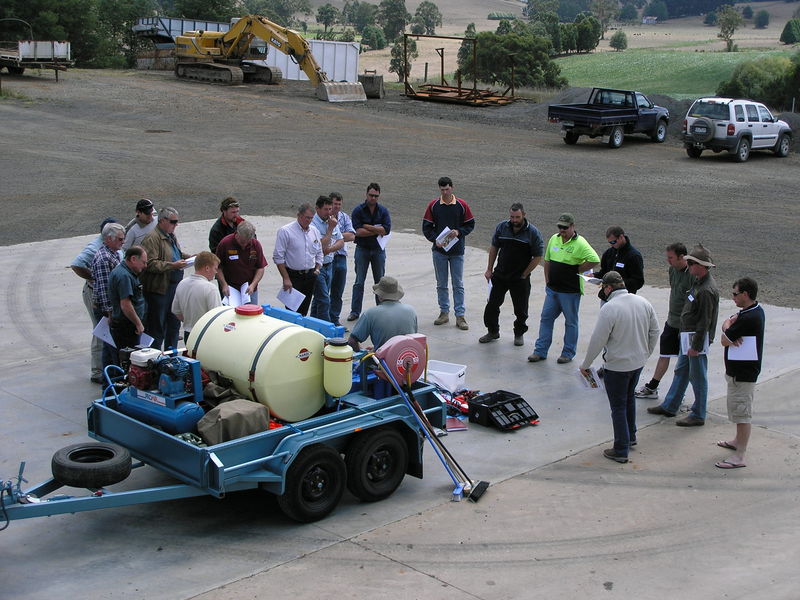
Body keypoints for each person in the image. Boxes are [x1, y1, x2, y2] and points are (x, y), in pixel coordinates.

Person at [579, 271, 660, 463]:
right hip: (637, 363)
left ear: (608, 287)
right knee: (629, 399)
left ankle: (621, 448)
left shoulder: (609, 308)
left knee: (618, 407)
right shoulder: (643, 302)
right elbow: (654, 331)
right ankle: (631, 436)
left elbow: (598, 339)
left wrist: (586, 364)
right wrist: (646, 353)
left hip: (617, 366)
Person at [647, 244, 720, 426]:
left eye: (692, 263)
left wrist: (695, 346)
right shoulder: (698, 282)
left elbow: (705, 321)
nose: (689, 266)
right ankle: (671, 405)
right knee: (682, 370)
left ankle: (698, 414)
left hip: (696, 339)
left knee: (698, 376)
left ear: (701, 266)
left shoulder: (705, 290)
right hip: (688, 336)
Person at [529, 213, 600, 364]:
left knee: (571, 322)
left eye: (565, 227)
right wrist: (548, 281)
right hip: (553, 290)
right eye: (560, 227)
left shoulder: (580, 243)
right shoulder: (554, 239)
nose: (562, 230)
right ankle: (540, 351)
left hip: (570, 292)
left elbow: (594, 259)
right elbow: (547, 261)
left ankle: (568, 353)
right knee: (546, 319)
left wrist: (578, 269)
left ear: (573, 227)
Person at [715, 277, 765, 469]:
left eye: (735, 294)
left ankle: (740, 456)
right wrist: (729, 325)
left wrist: (727, 325)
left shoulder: (749, 317)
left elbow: (724, 339)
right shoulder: (752, 311)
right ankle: (737, 441)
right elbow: (729, 331)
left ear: (745, 294)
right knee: (738, 411)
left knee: (743, 414)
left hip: (743, 375)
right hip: (739, 372)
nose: (733, 297)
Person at [480, 203, 544, 346]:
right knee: (492, 305)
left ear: (524, 215)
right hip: (500, 275)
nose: (514, 220)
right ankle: (493, 331)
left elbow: (538, 256)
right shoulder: (502, 227)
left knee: (521, 309)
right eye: (512, 217)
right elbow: (494, 247)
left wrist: (524, 274)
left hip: (519, 278)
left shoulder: (533, 233)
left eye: (517, 217)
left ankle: (519, 334)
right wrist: (489, 269)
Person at [635, 243, 692, 399]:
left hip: (687, 325)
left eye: (671, 258)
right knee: (664, 354)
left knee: (685, 361)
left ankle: (679, 393)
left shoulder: (692, 275)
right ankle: (653, 386)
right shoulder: (672, 270)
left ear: (682, 257)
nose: (668, 261)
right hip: (672, 320)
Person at [422, 176, 475, 330]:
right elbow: (426, 227)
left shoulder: (462, 205)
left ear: (452, 188)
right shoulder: (433, 206)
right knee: (441, 284)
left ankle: (460, 315)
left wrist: (459, 231)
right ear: (439, 189)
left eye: (447, 189)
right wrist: (434, 240)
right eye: (442, 189)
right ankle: (444, 312)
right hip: (439, 251)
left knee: (458, 284)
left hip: (457, 251)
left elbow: (470, 224)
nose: (445, 192)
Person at [71, 217, 117, 383]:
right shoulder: (95, 248)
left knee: (105, 332)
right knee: (101, 331)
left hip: (103, 292)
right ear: (107, 235)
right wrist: (94, 277)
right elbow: (76, 264)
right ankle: (97, 372)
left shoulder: (110, 247)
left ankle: (104, 369)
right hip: (94, 293)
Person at [141, 207, 191, 350]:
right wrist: (173, 266)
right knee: (157, 329)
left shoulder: (170, 235)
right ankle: (155, 359)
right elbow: (149, 264)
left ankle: (172, 357)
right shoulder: (152, 238)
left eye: (177, 222)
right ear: (162, 221)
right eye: (173, 222)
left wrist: (192, 258)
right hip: (159, 291)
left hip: (173, 287)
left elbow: (177, 254)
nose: (176, 225)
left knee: (174, 325)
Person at [348, 183, 391, 321]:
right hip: (363, 249)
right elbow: (357, 232)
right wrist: (376, 230)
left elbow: (386, 230)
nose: (373, 198)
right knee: (359, 281)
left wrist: (367, 226)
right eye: (371, 195)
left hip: (378, 250)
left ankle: (381, 310)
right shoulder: (358, 211)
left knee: (380, 282)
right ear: (366, 194)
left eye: (376, 196)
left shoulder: (383, 211)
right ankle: (355, 311)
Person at [273, 203, 323, 316]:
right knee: (292, 312)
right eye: (307, 217)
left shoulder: (314, 231)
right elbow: (278, 256)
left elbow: (319, 252)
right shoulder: (286, 231)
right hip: (293, 277)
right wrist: (285, 278)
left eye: (311, 218)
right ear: (299, 215)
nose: (309, 220)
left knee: (304, 311)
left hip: (310, 275)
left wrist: (317, 269)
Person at [348, 276, 418, 351]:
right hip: (407, 357)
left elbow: (352, 341)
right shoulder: (411, 311)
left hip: (382, 361)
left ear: (380, 296)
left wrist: (365, 353)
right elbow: (413, 337)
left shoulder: (370, 313)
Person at [91, 222, 126, 370]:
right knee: (113, 347)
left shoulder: (113, 253)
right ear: (108, 239)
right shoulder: (104, 259)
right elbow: (105, 290)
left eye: (123, 238)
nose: (123, 242)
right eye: (119, 239)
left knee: (109, 346)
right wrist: (110, 314)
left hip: (111, 309)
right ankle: (112, 378)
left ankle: (109, 377)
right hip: (107, 311)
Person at [172, 251, 222, 343]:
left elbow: (176, 311)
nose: (216, 272)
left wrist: (189, 321)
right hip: (206, 336)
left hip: (188, 334)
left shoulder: (182, 283)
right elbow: (217, 318)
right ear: (207, 268)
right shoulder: (211, 289)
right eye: (215, 268)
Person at [215, 220, 267, 305]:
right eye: (242, 242)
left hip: (249, 290)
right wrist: (223, 285)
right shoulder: (225, 244)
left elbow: (260, 267)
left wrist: (253, 285)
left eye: (248, 242)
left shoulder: (256, 245)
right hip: (230, 290)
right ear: (237, 233)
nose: (245, 244)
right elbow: (217, 267)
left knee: (251, 316)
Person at [107, 246, 148, 353]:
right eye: (143, 262)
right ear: (133, 259)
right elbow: (125, 304)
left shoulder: (126, 272)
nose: (145, 266)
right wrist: (138, 323)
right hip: (126, 327)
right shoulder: (124, 276)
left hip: (125, 325)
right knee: (129, 360)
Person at [310, 195, 344, 322]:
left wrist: (329, 249)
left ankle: (313, 323)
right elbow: (320, 246)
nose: (329, 212)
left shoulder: (332, 220)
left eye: (330, 209)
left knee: (318, 299)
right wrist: (330, 229)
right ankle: (326, 328)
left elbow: (341, 241)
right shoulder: (313, 225)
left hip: (329, 264)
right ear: (317, 209)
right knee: (324, 300)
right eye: (326, 209)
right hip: (317, 267)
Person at [593, 226, 644, 300]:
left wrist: (617, 284)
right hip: (606, 297)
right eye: (610, 242)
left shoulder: (634, 256)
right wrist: (594, 275)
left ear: (621, 237)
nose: (611, 245)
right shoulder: (608, 253)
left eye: (613, 242)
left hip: (625, 298)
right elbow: (604, 272)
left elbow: (638, 281)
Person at [329, 192, 355, 327]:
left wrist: (334, 235)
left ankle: (334, 318)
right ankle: (325, 318)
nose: (337, 207)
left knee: (338, 291)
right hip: (329, 258)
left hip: (341, 257)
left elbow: (352, 236)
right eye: (335, 204)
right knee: (325, 290)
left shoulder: (344, 217)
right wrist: (340, 237)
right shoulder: (324, 217)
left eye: (339, 204)